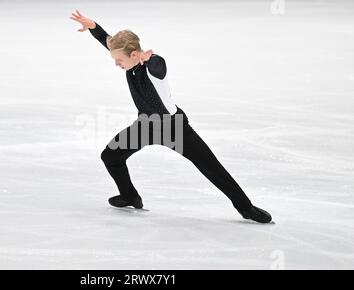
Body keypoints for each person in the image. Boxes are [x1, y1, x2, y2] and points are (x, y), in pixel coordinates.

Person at [70, 10, 272, 223]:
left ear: (134, 55)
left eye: (119, 60)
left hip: (173, 128)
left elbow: (159, 65)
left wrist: (150, 61)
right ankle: (130, 196)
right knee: (110, 156)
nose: (116, 64)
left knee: (211, 167)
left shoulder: (154, 68)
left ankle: (246, 207)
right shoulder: (130, 60)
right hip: (145, 126)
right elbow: (107, 40)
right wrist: (93, 26)